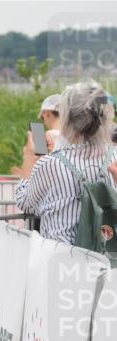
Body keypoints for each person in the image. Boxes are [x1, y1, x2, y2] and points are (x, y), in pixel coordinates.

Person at [15, 80, 117, 245]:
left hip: (60, 256)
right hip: (107, 259)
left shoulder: (50, 164)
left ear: (68, 118)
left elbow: (25, 202)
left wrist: (29, 156)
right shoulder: (115, 158)